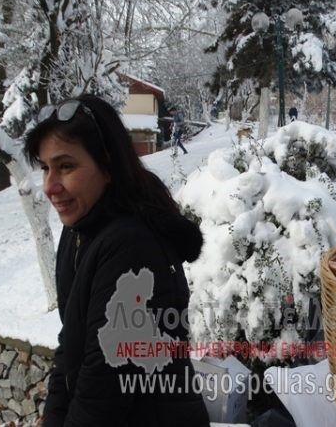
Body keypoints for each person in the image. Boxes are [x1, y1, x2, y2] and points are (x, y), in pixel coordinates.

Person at [24, 96, 209, 426]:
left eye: (66, 166)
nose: (50, 186)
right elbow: (71, 342)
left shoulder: (131, 248)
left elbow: (104, 391)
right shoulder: (80, 229)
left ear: (108, 166)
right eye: (45, 167)